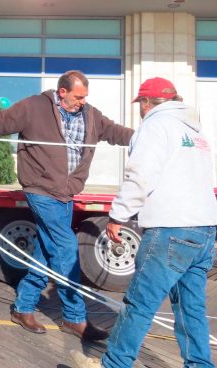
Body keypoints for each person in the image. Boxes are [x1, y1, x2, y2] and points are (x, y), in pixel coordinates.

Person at [0, 70, 133, 340]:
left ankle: (22, 307)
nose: (82, 102)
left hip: (66, 193)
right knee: (66, 248)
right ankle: (74, 317)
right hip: (40, 189)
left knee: (45, 250)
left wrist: (144, 140)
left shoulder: (90, 114)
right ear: (62, 91)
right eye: (78, 96)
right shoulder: (33, 107)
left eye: (85, 97)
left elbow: (115, 132)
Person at [70, 78, 217, 368]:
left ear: (147, 103)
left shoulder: (155, 125)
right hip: (205, 229)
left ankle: (113, 364)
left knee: (139, 303)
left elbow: (139, 176)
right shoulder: (196, 133)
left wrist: (118, 216)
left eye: (141, 105)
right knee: (191, 308)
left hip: (171, 230)